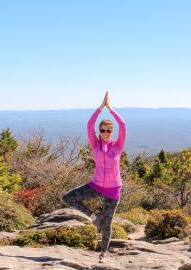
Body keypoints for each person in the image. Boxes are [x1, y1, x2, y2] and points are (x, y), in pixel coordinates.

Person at [62, 91, 126, 263]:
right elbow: (89, 124)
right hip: (97, 185)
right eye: (103, 130)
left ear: (112, 131)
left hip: (113, 189)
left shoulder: (117, 146)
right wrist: (100, 108)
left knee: (108, 223)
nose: (105, 133)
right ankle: (94, 218)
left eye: (108, 130)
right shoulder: (95, 145)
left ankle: (103, 253)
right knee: (68, 197)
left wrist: (111, 109)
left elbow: (124, 124)